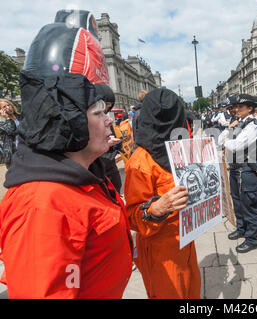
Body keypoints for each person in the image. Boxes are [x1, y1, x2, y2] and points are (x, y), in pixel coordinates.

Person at [0, 69, 133, 298]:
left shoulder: (87, 173)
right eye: (99, 113)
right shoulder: (42, 205)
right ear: (73, 123)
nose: (109, 119)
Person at [124, 88, 201, 299]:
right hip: (160, 250)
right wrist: (157, 208)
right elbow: (130, 217)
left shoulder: (184, 149)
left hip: (186, 239)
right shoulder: (140, 161)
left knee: (192, 291)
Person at [222, 94, 257, 253]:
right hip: (235, 168)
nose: (236, 109)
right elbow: (221, 141)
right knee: (237, 202)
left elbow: (237, 146)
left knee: (250, 205)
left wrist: (227, 142)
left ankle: (252, 239)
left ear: (250, 108)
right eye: (236, 106)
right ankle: (241, 228)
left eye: (240, 107)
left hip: (247, 170)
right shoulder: (238, 124)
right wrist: (229, 132)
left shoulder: (253, 125)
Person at [95, 83, 123, 192]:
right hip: (100, 172)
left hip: (110, 168)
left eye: (107, 110)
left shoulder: (107, 121)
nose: (108, 119)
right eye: (100, 112)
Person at [0, 99, 21, 168]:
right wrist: (7, 118)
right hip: (13, 153)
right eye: (4, 107)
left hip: (25, 149)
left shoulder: (20, 117)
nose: (8, 108)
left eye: (8, 105)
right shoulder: (2, 122)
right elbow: (11, 131)